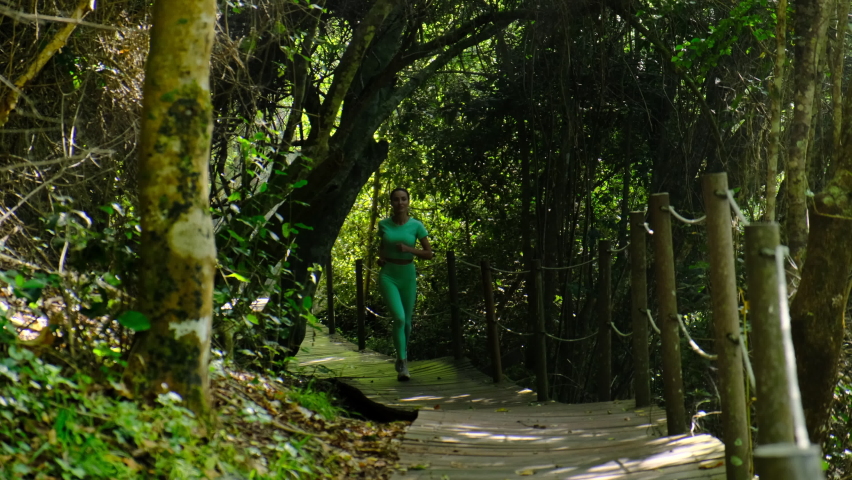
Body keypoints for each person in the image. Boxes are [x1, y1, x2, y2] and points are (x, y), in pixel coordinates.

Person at [377, 188, 433, 381]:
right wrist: (381, 259)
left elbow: (429, 253)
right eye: (396, 200)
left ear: (408, 202)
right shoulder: (383, 224)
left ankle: (403, 358)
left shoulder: (416, 226)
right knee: (399, 318)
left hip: (407, 275)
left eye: (403, 199)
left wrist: (409, 249)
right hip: (389, 276)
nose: (400, 203)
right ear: (391, 203)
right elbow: (382, 248)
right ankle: (402, 361)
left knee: (407, 323)